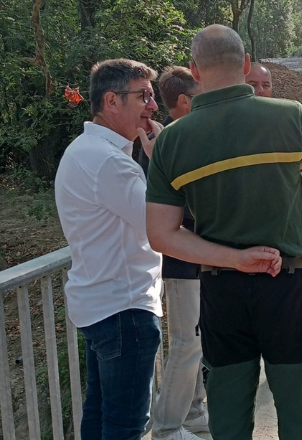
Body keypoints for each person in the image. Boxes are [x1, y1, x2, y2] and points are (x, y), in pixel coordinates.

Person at [145, 24, 302, 440]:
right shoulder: (290, 116)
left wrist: (235, 258)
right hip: (287, 284)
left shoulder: (173, 141)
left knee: (230, 412)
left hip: (221, 292)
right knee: (296, 411)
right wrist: (293, 160)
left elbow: (162, 235)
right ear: (247, 64)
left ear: (194, 70)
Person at [54, 58, 163, 440]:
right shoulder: (108, 162)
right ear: (112, 102)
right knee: (125, 426)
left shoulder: (84, 150)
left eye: (152, 95)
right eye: (144, 95)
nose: (153, 105)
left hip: (102, 305)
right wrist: (162, 158)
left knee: (101, 417)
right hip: (124, 308)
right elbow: (160, 225)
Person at [145, 66, 209, 440]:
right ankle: (167, 426)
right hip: (181, 258)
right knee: (187, 342)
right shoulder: (163, 142)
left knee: (197, 340)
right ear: (184, 101)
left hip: (198, 255)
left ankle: (196, 412)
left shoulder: (179, 136)